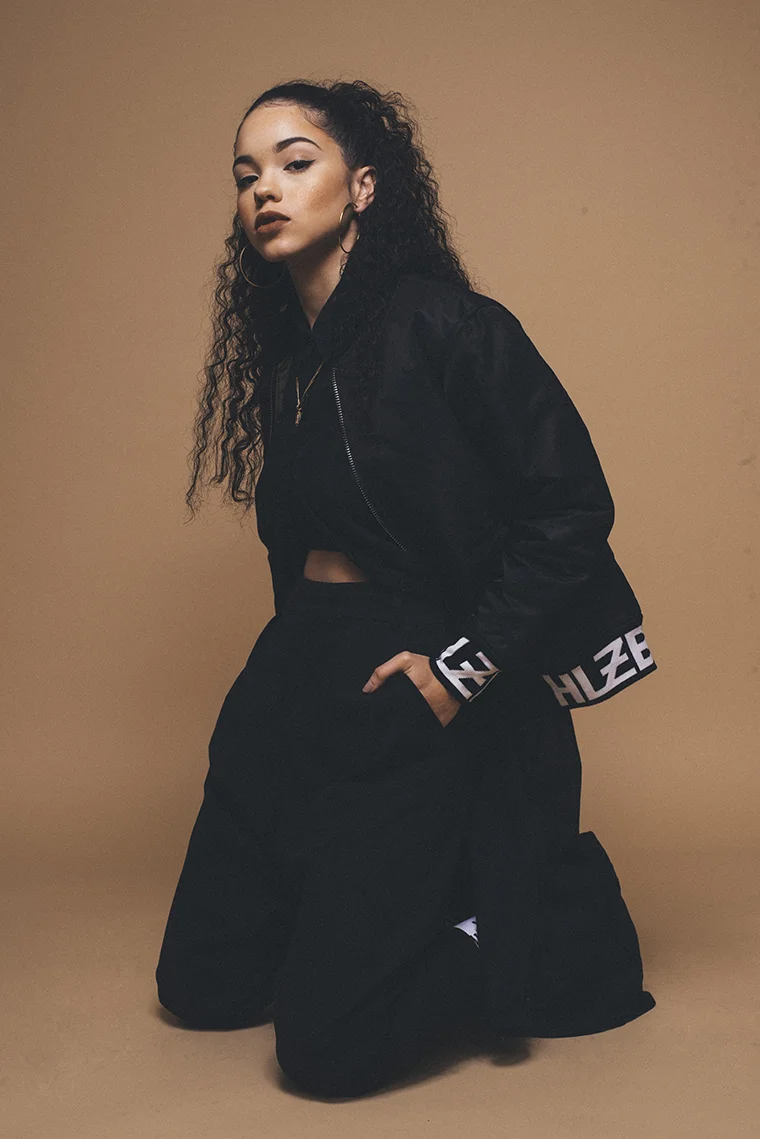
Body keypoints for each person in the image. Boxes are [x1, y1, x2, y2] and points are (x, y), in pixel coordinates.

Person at [155, 79, 657, 1099]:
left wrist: (459, 668)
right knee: (200, 986)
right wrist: (282, 677)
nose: (265, 189)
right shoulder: (289, 361)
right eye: (247, 173)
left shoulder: (454, 327)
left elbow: (569, 512)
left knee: (326, 1051)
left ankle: (530, 921)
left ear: (364, 186)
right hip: (298, 663)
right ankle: (366, 905)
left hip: (416, 673)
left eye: (296, 162)